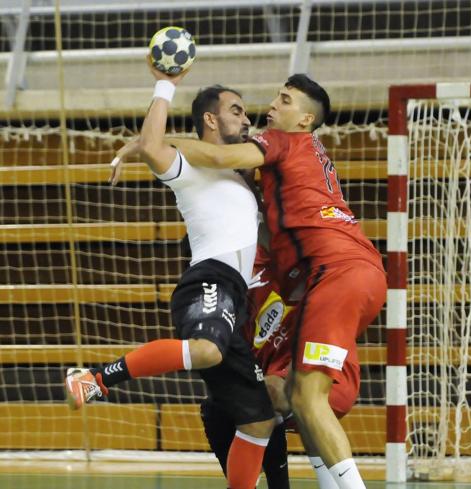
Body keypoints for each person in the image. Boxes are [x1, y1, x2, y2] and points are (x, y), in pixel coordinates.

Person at [158, 74, 387, 489]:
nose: (271, 107)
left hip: (337, 274)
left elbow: (216, 157)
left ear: (304, 120)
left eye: (284, 100)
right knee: (297, 395)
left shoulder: (281, 142)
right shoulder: (297, 166)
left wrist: (156, 147)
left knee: (300, 398)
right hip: (354, 275)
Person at [64, 59, 275, 489]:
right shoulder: (190, 169)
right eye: (236, 109)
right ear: (211, 119)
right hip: (210, 279)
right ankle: (94, 380)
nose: (247, 117)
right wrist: (165, 85)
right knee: (205, 350)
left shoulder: (239, 173)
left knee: (258, 419)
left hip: (237, 297)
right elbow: (156, 145)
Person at [203, 245, 366, 489]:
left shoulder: (298, 255)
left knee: (268, 396)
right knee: (218, 404)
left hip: (328, 368)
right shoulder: (232, 291)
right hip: (278, 377)